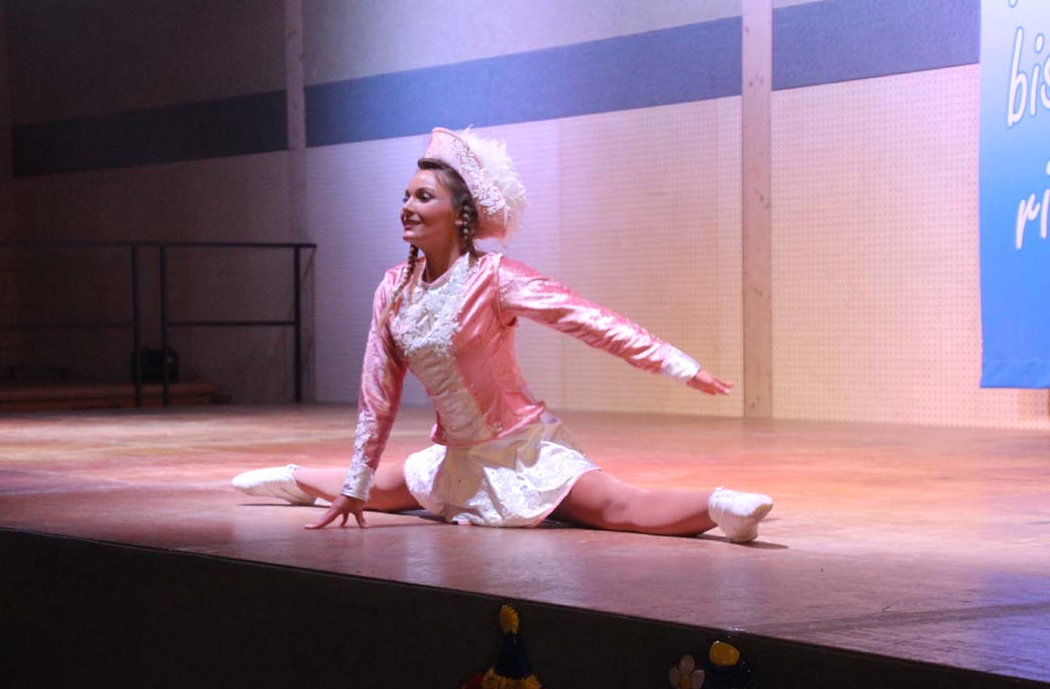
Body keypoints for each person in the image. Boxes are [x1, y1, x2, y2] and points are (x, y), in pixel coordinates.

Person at [233, 127, 772, 542]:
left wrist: (678, 365)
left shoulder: (495, 278)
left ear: (459, 214)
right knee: (373, 490)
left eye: (423, 197)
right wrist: (354, 485)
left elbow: (587, 319)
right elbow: (378, 394)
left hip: (520, 451)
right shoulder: (394, 289)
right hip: (456, 457)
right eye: (406, 196)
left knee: (616, 508)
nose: (407, 207)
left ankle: (723, 506)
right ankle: (292, 479)